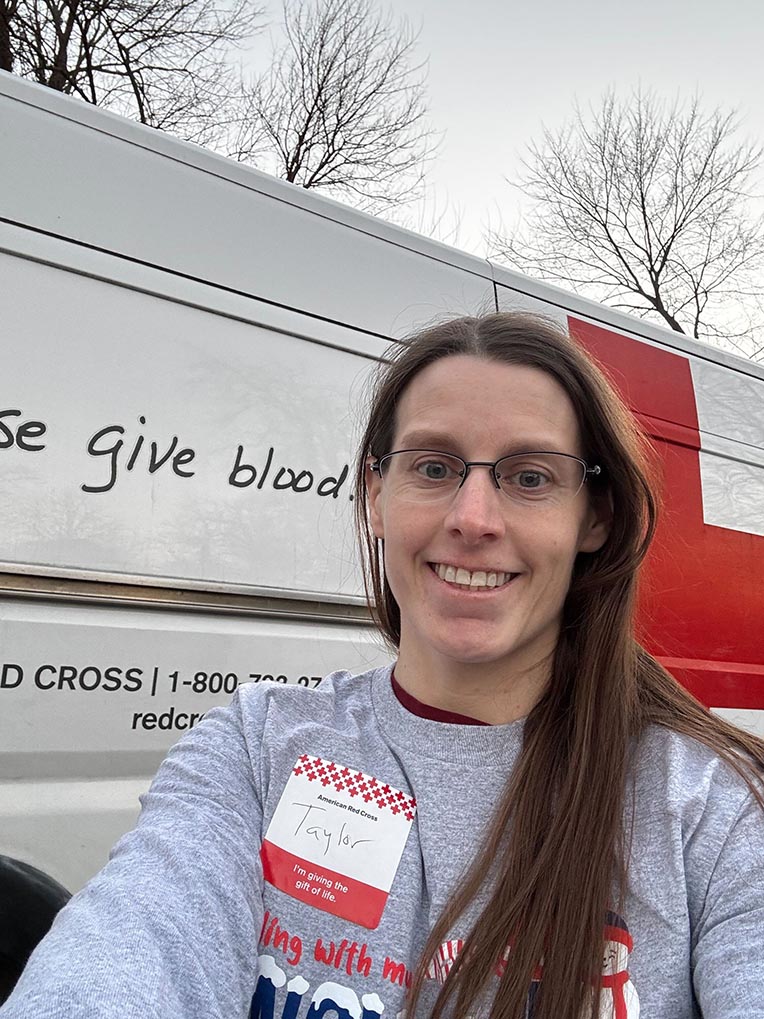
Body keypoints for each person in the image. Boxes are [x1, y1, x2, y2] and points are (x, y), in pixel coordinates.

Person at [2, 312, 763, 1019]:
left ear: (594, 516)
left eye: (530, 477)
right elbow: (121, 962)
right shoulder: (255, 747)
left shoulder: (713, 810)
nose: (472, 518)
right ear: (375, 494)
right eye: (433, 467)